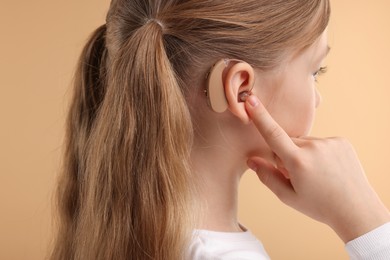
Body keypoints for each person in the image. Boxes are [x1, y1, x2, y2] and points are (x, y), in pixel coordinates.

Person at [49, 0, 390, 259]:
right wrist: (365, 220)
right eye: (315, 71)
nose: (318, 99)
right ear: (242, 90)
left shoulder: (119, 228)